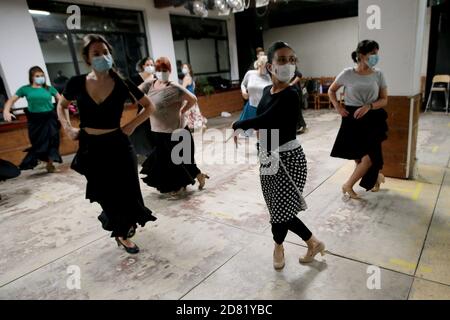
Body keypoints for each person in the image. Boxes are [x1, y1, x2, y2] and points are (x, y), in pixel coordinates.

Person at [57, 34, 157, 254]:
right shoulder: (76, 83)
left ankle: (122, 232)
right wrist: (67, 128)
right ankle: (118, 224)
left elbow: (149, 106)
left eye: (106, 52)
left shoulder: (122, 82)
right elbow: (61, 105)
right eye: (96, 53)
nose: (103, 56)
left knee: (127, 191)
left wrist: (131, 125)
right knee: (105, 193)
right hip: (90, 146)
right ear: (87, 59)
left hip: (118, 144)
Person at [232, 41, 325, 270]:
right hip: (266, 155)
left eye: (292, 60)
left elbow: (267, 120)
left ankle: (281, 245)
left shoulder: (291, 94)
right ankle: (311, 243)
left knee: (282, 211)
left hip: (288, 159)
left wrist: (238, 124)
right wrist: (250, 129)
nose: (288, 64)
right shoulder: (266, 91)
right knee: (276, 208)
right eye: (282, 60)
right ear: (270, 66)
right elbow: (262, 122)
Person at [139, 57, 209, 195]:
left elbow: (193, 99)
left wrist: (182, 110)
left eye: (164, 70)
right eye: (159, 70)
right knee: (166, 162)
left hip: (176, 131)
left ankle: (181, 185)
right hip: (158, 131)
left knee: (179, 162)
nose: (161, 72)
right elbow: (136, 94)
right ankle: (187, 180)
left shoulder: (174, 87)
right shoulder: (151, 84)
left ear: (169, 71)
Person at [328, 40, 388, 199]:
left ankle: (348, 185)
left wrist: (369, 106)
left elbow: (384, 100)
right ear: (361, 56)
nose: (376, 56)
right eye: (372, 53)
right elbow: (331, 90)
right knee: (358, 156)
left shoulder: (378, 74)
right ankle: (376, 178)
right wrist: (338, 107)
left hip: (373, 116)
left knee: (369, 158)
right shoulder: (347, 73)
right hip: (352, 118)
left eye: (377, 53)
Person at [3, 66, 62, 172]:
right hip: (35, 121)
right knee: (38, 143)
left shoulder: (49, 88)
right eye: (37, 76)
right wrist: (6, 111)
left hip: (50, 118)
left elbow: (61, 100)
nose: (40, 77)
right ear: (32, 77)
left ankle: (50, 164)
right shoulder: (25, 89)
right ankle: (40, 159)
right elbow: (11, 101)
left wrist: (64, 111)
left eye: (42, 75)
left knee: (52, 141)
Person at [129, 57, 156, 159]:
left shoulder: (156, 78)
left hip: (155, 109)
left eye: (152, 65)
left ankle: (154, 154)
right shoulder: (136, 78)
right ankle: (146, 153)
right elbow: (133, 94)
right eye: (148, 64)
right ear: (143, 66)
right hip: (143, 108)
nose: (150, 67)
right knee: (141, 132)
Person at [239, 55, 272, 137]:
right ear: (260, 64)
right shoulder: (250, 74)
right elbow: (243, 84)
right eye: (265, 66)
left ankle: (267, 147)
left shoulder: (270, 77)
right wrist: (243, 92)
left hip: (266, 108)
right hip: (251, 106)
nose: (267, 69)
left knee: (266, 132)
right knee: (246, 132)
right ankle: (262, 147)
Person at [181, 63, 207, 131]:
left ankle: (189, 128)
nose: (183, 69)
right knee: (194, 114)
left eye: (185, 68)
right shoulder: (191, 77)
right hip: (193, 98)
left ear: (189, 70)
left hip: (187, 99)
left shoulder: (186, 78)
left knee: (187, 114)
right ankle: (198, 126)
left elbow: (182, 89)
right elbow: (193, 88)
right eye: (183, 67)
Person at [290, 68, 308, 134]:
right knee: (295, 111)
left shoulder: (290, 66)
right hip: (290, 91)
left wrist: (291, 83)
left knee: (296, 110)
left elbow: (299, 75)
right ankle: (301, 126)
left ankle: (301, 126)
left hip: (294, 91)